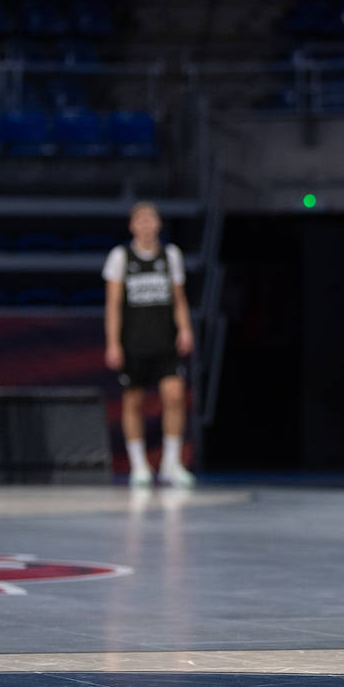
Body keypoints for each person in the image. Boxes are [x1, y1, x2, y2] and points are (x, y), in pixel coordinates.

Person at [103, 201, 196, 488]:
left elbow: (178, 298)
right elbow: (113, 304)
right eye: (140, 220)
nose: (145, 225)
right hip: (134, 342)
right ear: (132, 226)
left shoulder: (170, 255)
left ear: (158, 224)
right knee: (133, 401)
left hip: (164, 340)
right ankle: (139, 464)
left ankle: (171, 463)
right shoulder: (121, 257)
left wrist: (185, 328)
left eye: (150, 219)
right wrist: (113, 343)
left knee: (174, 396)